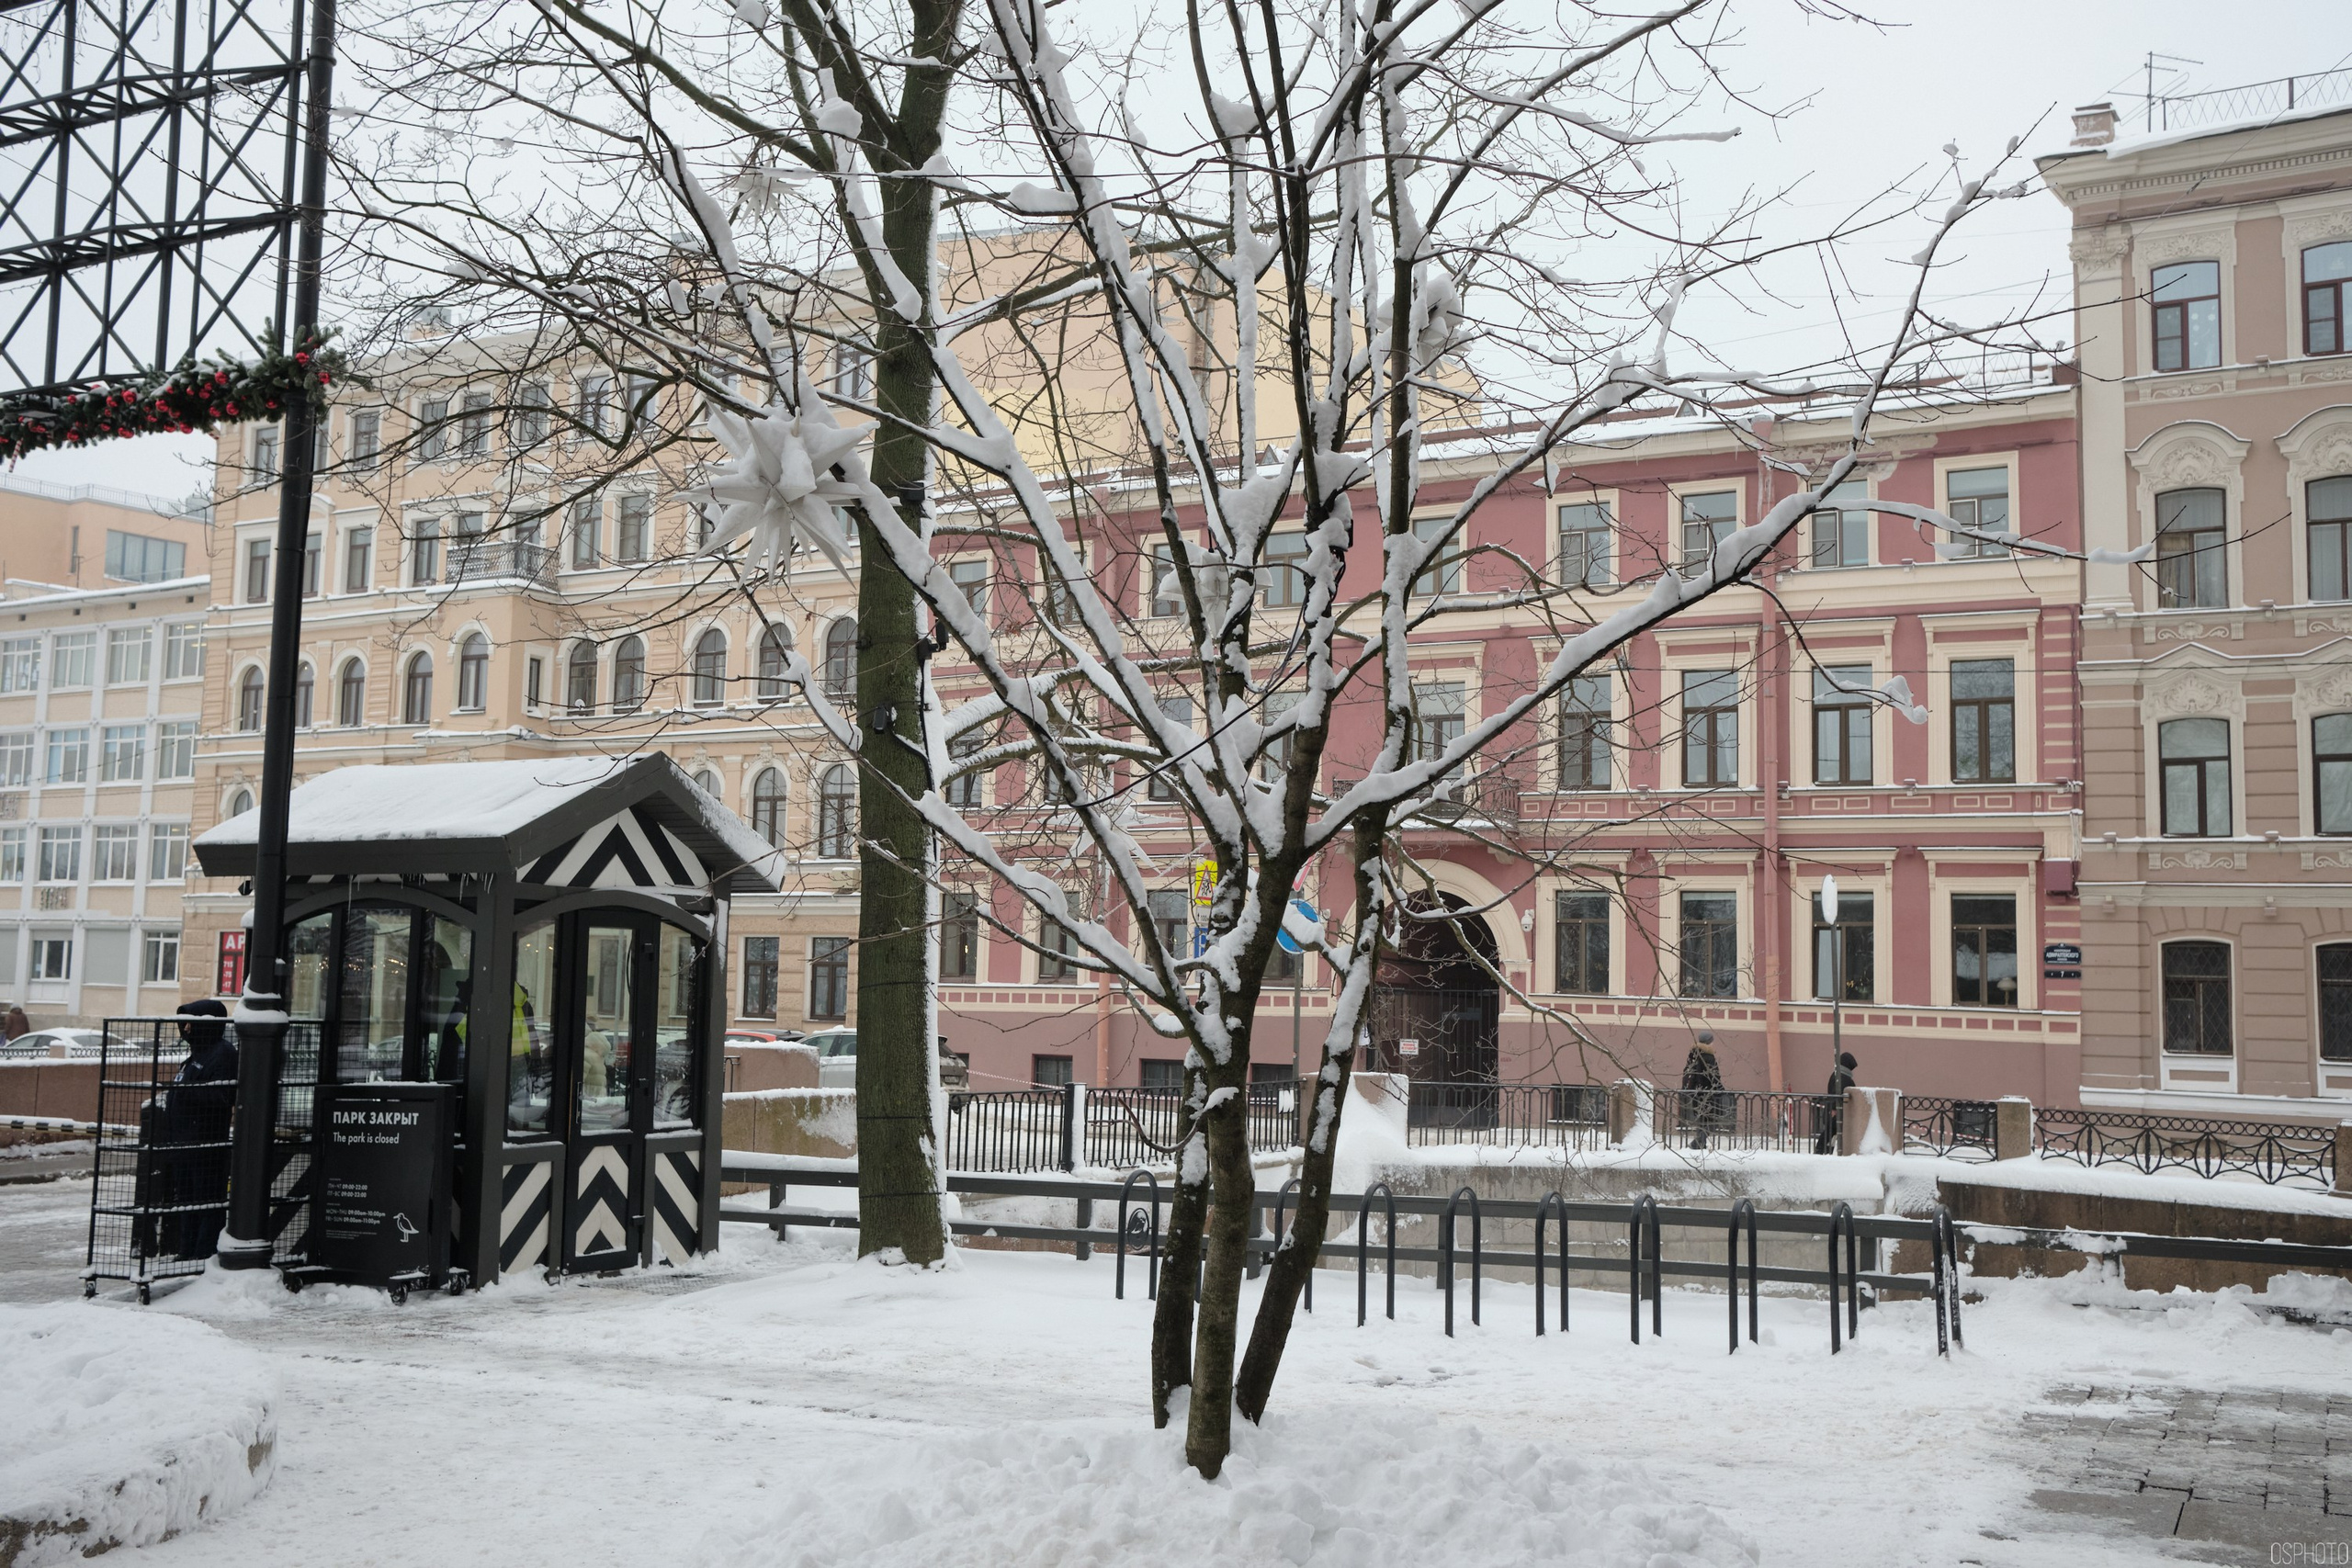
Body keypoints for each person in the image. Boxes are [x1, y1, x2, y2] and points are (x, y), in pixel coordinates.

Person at [161, 999, 237, 1259]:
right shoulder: (195, 1055)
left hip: (205, 1144)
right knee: (187, 1202)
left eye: (191, 1023)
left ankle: (202, 1253)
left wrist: (188, 1094)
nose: (185, 1029)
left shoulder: (222, 1054)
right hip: (184, 1144)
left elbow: (224, 1095)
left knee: (206, 1202)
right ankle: (187, 1250)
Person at [1679, 1030, 1729, 1149]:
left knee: (1702, 1119)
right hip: (1708, 1093)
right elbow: (1712, 1076)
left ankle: (1700, 1143)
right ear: (1709, 1042)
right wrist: (1720, 1089)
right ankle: (1697, 1143)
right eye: (1712, 1042)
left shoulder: (1693, 1054)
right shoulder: (1708, 1057)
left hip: (1697, 1093)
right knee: (1712, 1120)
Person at [1815, 1049, 1858, 1155]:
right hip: (1837, 1111)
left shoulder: (1838, 1075)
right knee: (1830, 1132)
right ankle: (1820, 1151)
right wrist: (1835, 1108)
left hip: (1835, 1109)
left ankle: (1824, 1151)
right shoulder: (1842, 1077)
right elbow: (1836, 1093)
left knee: (1831, 1133)